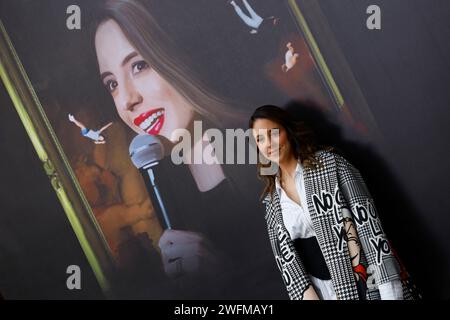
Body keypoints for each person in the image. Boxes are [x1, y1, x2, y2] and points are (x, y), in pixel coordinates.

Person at [91, 0, 285, 299]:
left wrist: (228, 282)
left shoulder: (267, 147)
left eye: (139, 66)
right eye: (112, 83)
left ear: (177, 53)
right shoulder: (166, 184)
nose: (127, 99)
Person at [249, 105, 418, 300]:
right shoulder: (271, 201)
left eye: (274, 133)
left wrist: (390, 290)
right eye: (260, 139)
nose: (269, 143)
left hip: (363, 280)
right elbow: (286, 264)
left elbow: (370, 226)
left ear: (288, 131)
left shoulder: (330, 166)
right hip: (320, 291)